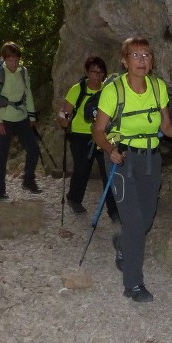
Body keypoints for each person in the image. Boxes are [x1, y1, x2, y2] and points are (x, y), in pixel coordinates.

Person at [92, 36, 172, 302]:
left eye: (147, 55)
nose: (142, 60)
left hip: (151, 159)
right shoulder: (113, 91)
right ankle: (133, 284)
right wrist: (110, 149)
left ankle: (122, 244)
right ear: (124, 60)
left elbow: (166, 127)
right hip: (122, 159)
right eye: (136, 55)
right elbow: (98, 131)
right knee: (134, 221)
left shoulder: (157, 87)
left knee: (146, 220)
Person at [57, 56, 119, 221]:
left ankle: (114, 211)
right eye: (93, 72)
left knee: (108, 171)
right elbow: (64, 110)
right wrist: (64, 119)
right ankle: (74, 199)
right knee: (82, 168)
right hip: (80, 135)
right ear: (87, 72)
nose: (97, 75)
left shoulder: (108, 90)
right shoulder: (77, 89)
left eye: (100, 72)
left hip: (101, 134)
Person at [0, 41, 40, 200]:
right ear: (4, 59)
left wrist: (32, 116)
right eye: (10, 60)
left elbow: (28, 94)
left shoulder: (23, 72)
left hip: (21, 117)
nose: (14, 63)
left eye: (16, 60)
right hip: (3, 119)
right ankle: (0, 189)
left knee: (34, 149)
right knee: (1, 153)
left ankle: (28, 180)